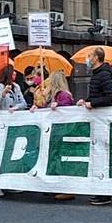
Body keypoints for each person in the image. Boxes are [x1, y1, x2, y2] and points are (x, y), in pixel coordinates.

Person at [78, 46, 112, 205]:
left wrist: (93, 103)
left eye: (89, 56)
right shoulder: (97, 74)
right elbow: (96, 95)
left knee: (103, 155)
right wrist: (86, 101)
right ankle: (101, 190)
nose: (87, 59)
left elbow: (111, 98)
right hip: (98, 120)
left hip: (103, 121)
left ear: (96, 58)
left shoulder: (103, 75)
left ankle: (105, 193)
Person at [30, 70, 76, 202]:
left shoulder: (64, 95)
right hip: (56, 133)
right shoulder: (55, 96)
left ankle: (67, 189)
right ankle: (56, 186)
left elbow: (67, 112)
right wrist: (37, 108)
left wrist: (59, 106)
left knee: (62, 160)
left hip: (62, 132)